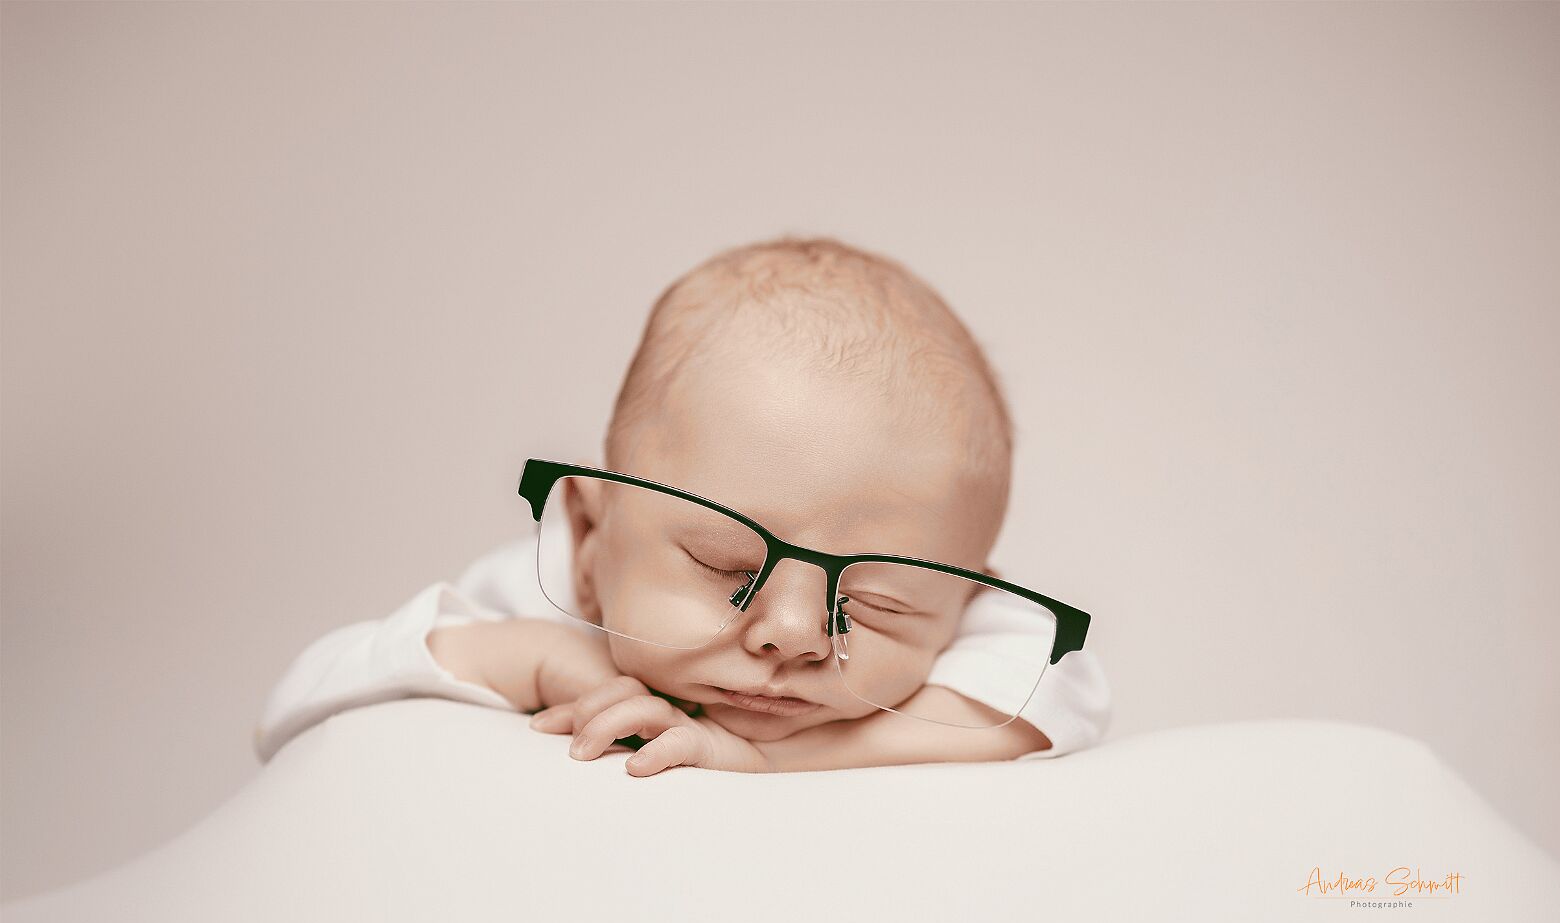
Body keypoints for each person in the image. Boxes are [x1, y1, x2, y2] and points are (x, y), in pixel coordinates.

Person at [256, 235, 1111, 775]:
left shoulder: (973, 621)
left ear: (964, 596)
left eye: (875, 604)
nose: (795, 635)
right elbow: (294, 705)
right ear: (590, 536)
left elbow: (1059, 695)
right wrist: (535, 659)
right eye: (727, 568)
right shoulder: (540, 594)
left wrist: (776, 757)